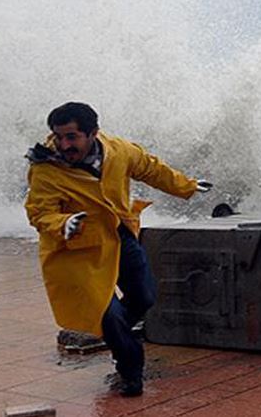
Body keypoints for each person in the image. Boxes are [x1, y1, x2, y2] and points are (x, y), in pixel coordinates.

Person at [24, 102, 212, 396]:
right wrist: (63, 222)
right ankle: (130, 371)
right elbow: (39, 212)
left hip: (118, 234)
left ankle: (114, 335)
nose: (64, 145)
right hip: (77, 248)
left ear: (93, 133)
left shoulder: (118, 151)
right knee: (108, 314)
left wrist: (186, 185)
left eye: (72, 137)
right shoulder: (46, 170)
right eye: (58, 137)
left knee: (145, 296)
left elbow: (151, 169)